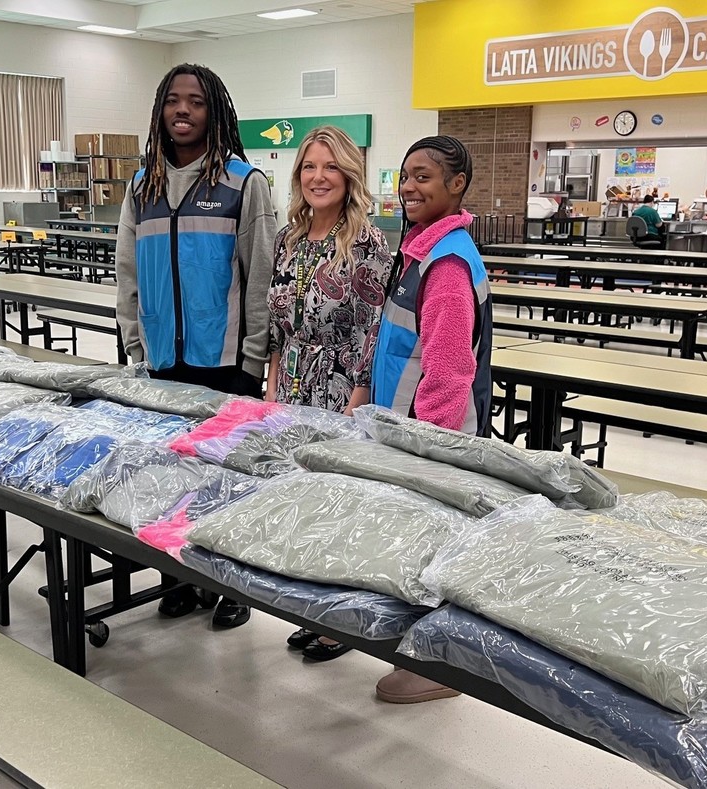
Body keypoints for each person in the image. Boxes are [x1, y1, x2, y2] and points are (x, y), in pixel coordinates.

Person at [116, 63, 276, 629]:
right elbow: (127, 273)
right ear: (160, 110)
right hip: (163, 361)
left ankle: (231, 587)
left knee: (225, 478)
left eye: (196, 102)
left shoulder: (243, 183)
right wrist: (137, 345)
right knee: (170, 475)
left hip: (226, 361)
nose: (183, 111)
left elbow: (260, 275)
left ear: (215, 113)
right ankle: (179, 576)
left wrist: (254, 357)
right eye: (173, 101)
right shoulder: (142, 187)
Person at [370, 135, 492, 703]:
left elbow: (446, 371)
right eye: (404, 176)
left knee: (432, 551)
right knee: (418, 548)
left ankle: (439, 671)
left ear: (456, 185)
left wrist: (428, 451)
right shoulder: (424, 249)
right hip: (405, 429)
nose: (408, 187)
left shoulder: (444, 262)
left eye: (423, 177)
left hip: (432, 438)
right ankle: (425, 658)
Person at [266, 126, 394, 661]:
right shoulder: (288, 237)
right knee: (301, 500)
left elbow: (371, 328)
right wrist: (271, 387)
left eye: (331, 167)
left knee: (340, 504)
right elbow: (276, 325)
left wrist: (358, 397)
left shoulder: (366, 242)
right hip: (292, 380)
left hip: (340, 384)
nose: (319, 177)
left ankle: (342, 621)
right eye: (309, 167)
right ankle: (310, 607)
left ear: (349, 175)